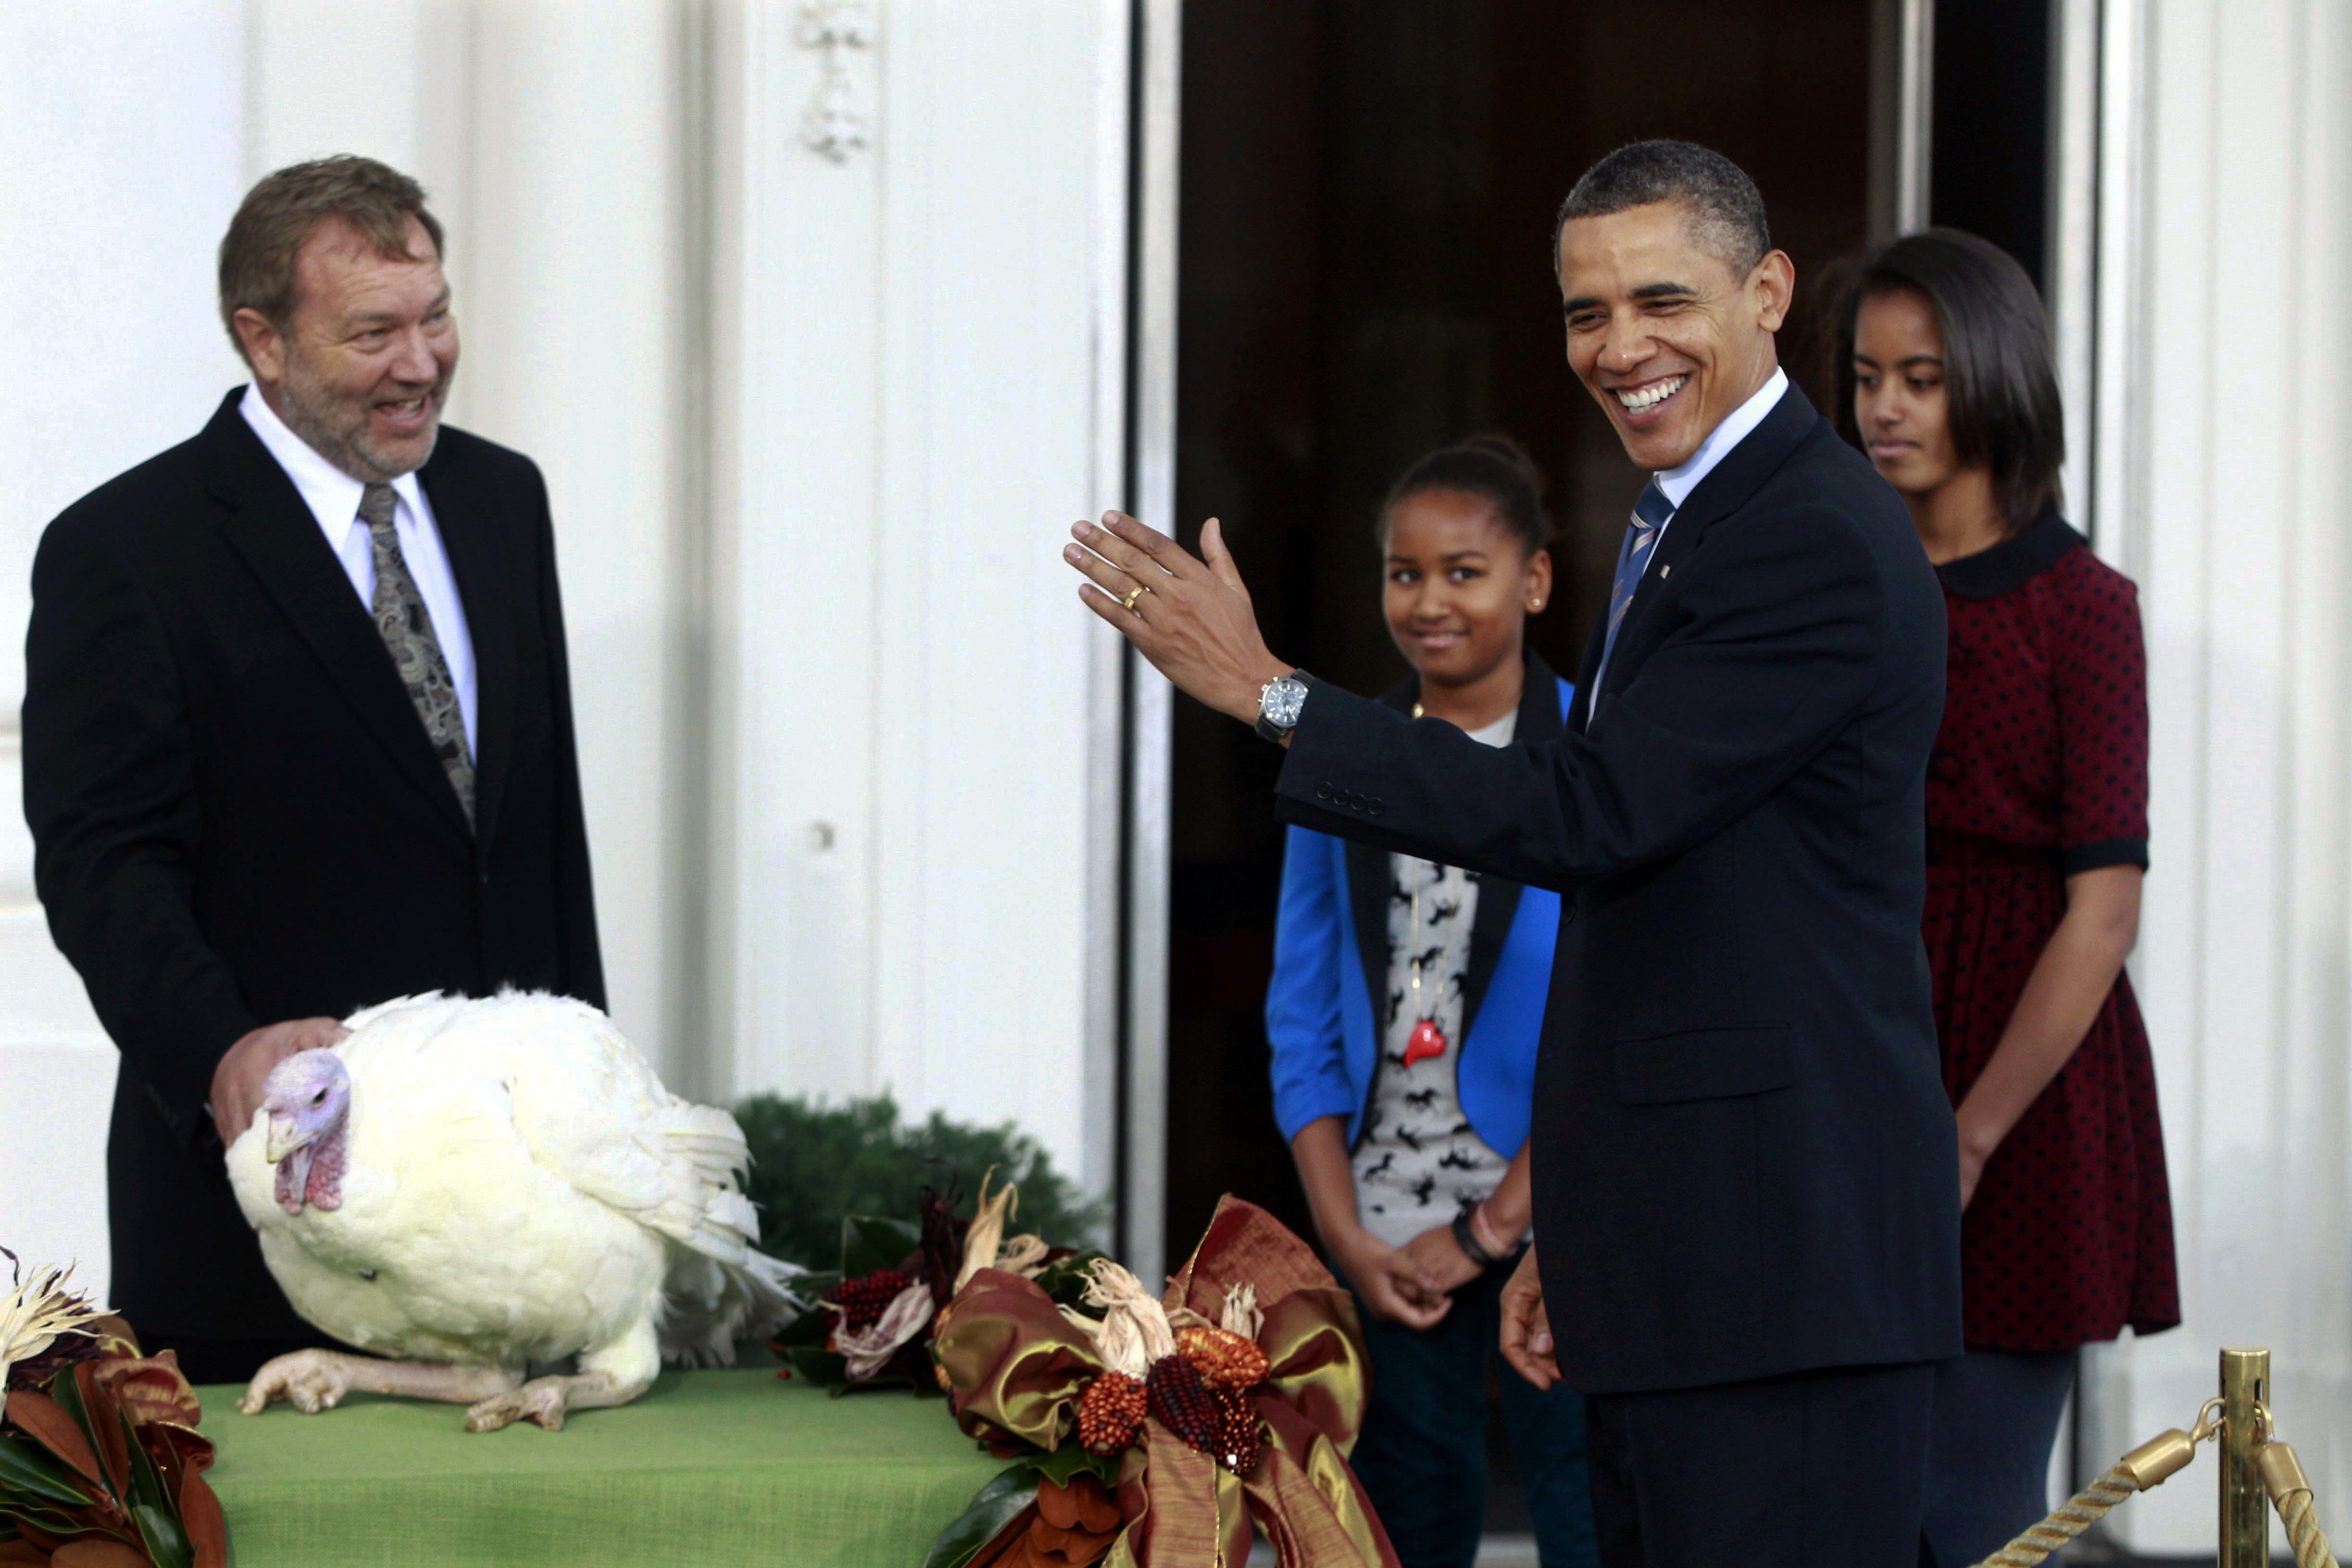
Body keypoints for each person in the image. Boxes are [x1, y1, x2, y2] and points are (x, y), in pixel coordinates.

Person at [1060, 140, 1961, 1567]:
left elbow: (1589, 813)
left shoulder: (1810, 536)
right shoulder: (1699, 523)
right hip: (1691, 1266)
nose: (1620, 348)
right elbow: (1658, 914)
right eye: (1585, 312)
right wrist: (1586, 1236)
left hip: (1779, 1282)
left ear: (1771, 291)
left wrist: (1281, 698)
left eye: (1662, 301)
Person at [23, 156, 606, 1386]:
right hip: (272, 1235)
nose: (423, 362)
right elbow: (104, 865)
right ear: (264, 341)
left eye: (437, 316)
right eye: (375, 332)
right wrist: (226, 1049)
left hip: (517, 1232)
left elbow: (535, 841)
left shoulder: (505, 500)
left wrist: (591, 1124)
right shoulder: (125, 552)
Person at [1839, 229, 2179, 1566]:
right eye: (1868, 376)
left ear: (1992, 381)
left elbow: (2104, 907)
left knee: (1970, 1518)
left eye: (1921, 376)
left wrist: (1969, 1136)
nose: (1884, 409)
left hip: (2027, 1086)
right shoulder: (1846, 595)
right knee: (1849, 1500)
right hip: (1859, 1035)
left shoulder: (2084, 607)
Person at [1267, 435, 1595, 1568]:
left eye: (1466, 571)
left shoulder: (1594, 755)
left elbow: (1615, 1025)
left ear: (1535, 581)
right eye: (1405, 573)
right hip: (1389, 1222)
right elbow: (1301, 1018)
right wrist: (1343, 1233)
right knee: (1408, 1504)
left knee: (1585, 1492)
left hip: (1559, 1204)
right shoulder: (1340, 756)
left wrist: (1495, 1226)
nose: (1431, 601)